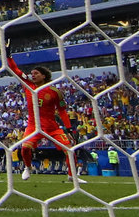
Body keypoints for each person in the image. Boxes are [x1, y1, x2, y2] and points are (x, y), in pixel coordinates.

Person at [5, 50, 84, 184]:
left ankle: (72, 176)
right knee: (25, 148)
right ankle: (28, 167)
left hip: (52, 128)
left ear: (44, 76)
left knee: (69, 150)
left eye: (36, 73)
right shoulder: (28, 85)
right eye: (32, 73)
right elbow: (15, 70)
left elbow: (62, 111)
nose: (33, 75)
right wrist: (9, 57)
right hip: (33, 126)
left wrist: (69, 128)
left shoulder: (55, 92)